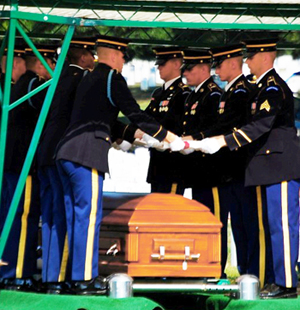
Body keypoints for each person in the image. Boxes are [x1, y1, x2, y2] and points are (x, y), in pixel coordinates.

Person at [55, 34, 186, 295]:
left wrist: (136, 136)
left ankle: (68, 278)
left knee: (74, 217)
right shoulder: (111, 78)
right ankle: (84, 279)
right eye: (124, 56)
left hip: (66, 153)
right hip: (87, 154)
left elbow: (106, 119)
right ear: (115, 55)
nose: (124, 61)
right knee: (89, 218)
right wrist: (167, 136)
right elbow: (135, 112)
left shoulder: (88, 78)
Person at [196, 39, 300, 299]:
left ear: (265, 57)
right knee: (269, 225)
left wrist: (223, 141)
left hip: (281, 166)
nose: (247, 61)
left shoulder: (273, 87)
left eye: (251, 56)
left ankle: (286, 283)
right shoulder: (260, 87)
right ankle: (274, 280)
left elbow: (260, 126)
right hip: (268, 167)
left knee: (282, 225)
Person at [36, 38, 96, 294]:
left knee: (51, 216)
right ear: (82, 57)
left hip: (46, 152)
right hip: (66, 151)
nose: (94, 59)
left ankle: (51, 277)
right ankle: (63, 279)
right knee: (67, 214)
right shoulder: (81, 79)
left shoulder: (56, 78)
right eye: (91, 53)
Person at [1, 44, 57, 291]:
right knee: (24, 217)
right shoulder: (33, 83)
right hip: (25, 162)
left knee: (11, 217)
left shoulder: (17, 85)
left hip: (13, 161)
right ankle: (18, 273)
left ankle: (9, 269)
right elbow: (52, 106)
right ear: (40, 61)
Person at [207, 44, 264, 282]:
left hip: (241, 169)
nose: (216, 70)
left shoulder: (243, 91)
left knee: (248, 223)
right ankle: (244, 271)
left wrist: (203, 139)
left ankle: (252, 273)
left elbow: (233, 127)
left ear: (232, 63)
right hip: (228, 170)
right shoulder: (228, 92)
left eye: (219, 65)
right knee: (238, 225)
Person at [179, 49, 228, 277]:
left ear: (202, 68)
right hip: (198, 170)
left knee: (215, 220)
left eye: (188, 69)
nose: (185, 74)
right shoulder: (193, 95)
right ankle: (205, 266)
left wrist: (195, 138)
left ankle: (216, 269)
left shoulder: (214, 95)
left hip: (213, 170)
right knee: (202, 220)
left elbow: (217, 128)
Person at [145, 46, 190, 194]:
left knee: (170, 212)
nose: (158, 67)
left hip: (173, 164)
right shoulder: (158, 93)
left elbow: (179, 126)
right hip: (157, 163)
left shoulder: (184, 94)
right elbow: (146, 119)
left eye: (163, 63)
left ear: (177, 65)